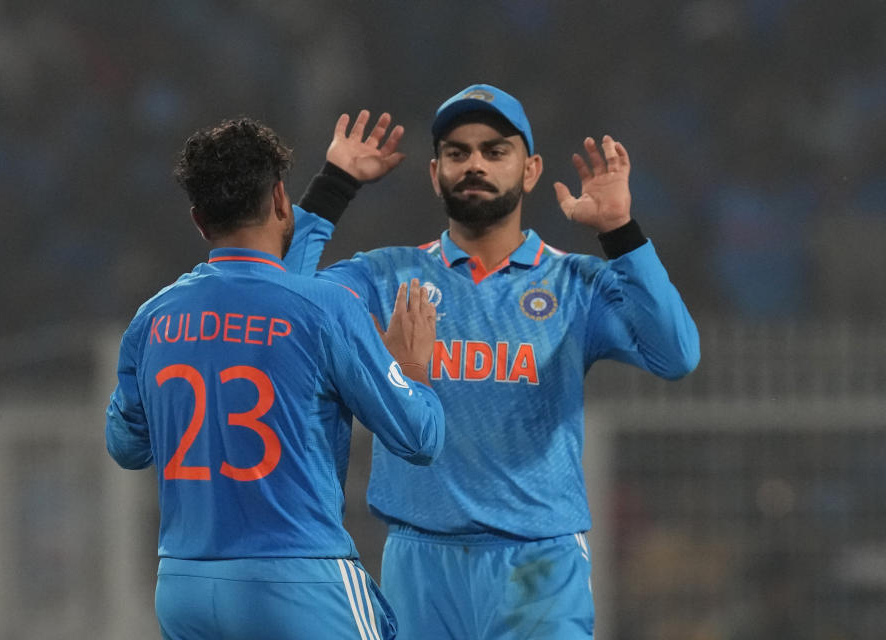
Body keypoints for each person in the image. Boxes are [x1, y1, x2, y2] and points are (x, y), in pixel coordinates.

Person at [289, 85, 701, 639]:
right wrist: (332, 188)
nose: (474, 164)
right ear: (435, 173)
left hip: (538, 560)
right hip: (421, 560)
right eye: (457, 153)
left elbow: (676, 355)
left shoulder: (575, 282)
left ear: (530, 170)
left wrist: (620, 234)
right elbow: (281, 310)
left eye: (494, 151)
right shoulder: (386, 276)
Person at [104, 115, 445, 640]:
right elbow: (420, 438)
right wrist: (412, 367)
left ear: (198, 220)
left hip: (185, 586)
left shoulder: (152, 318)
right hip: (298, 582)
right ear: (281, 199)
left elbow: (125, 446)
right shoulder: (325, 309)